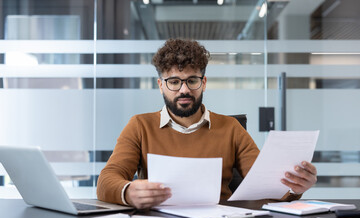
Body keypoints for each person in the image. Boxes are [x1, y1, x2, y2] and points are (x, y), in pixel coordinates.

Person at [97, 39, 317, 209]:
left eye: (192, 80)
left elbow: (267, 185)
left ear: (203, 83)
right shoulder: (139, 126)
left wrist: (295, 187)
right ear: (160, 85)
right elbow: (106, 181)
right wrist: (127, 191)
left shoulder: (231, 128)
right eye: (174, 82)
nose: (184, 90)